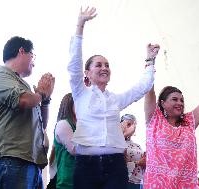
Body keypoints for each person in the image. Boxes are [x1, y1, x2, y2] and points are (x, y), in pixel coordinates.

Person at [67, 6, 160, 189]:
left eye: (107, 65)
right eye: (98, 65)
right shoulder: (80, 93)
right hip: (86, 166)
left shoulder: (115, 100)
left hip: (115, 166)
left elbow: (141, 88)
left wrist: (150, 61)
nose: (104, 68)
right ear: (87, 72)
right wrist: (80, 25)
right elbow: (74, 63)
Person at [143, 62, 199, 188]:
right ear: (162, 103)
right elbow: (149, 90)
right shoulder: (154, 120)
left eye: (182, 100)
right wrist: (150, 62)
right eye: (174, 99)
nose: (179, 103)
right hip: (157, 185)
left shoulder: (189, 122)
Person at [0, 36, 55, 189]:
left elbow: (42, 122)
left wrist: (46, 99)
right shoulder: (0, 74)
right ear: (22, 51)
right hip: (11, 159)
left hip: (30, 161)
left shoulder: (26, 87)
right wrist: (41, 94)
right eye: (33, 56)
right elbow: (24, 100)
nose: (34, 62)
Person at [53, 93, 76, 189]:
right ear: (70, 105)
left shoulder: (80, 126)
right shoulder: (64, 124)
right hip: (68, 182)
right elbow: (75, 150)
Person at [120, 114, 146, 189]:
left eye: (133, 124)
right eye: (128, 124)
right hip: (125, 181)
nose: (132, 127)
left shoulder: (137, 146)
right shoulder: (117, 143)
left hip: (138, 182)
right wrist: (138, 163)